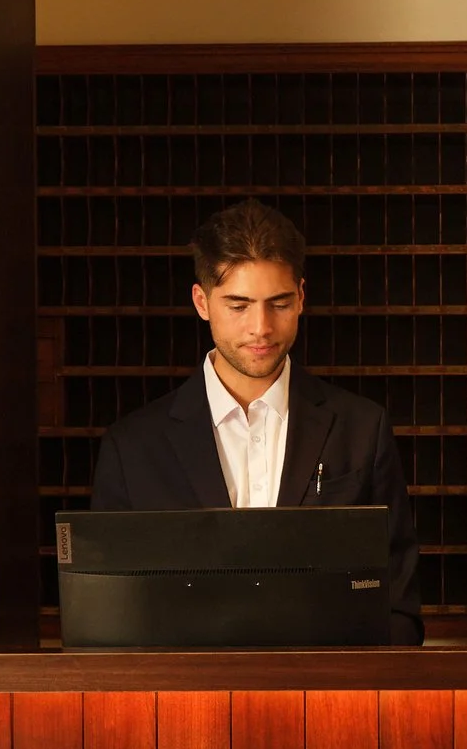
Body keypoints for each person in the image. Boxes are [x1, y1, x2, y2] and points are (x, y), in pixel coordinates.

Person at [91, 198, 422, 644]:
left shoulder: (362, 428)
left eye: (279, 304)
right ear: (202, 302)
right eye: (239, 305)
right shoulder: (131, 447)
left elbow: (399, 610)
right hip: (182, 704)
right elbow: (108, 621)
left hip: (331, 698)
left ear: (302, 297)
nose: (261, 328)